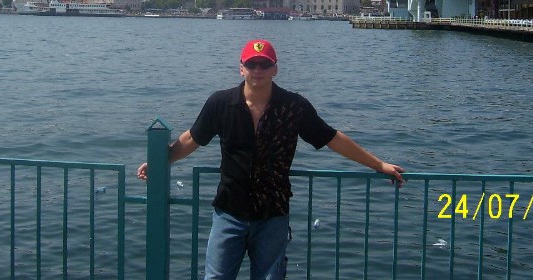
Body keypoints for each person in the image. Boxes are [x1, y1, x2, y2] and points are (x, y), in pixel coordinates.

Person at [137, 38, 405, 280]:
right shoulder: (221, 103)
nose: (258, 70)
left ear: (275, 69)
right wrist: (160, 163)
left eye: (264, 64)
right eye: (251, 64)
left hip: (273, 214)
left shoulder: (293, 106)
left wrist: (378, 165)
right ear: (241, 68)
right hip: (229, 212)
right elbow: (192, 139)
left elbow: (331, 138)